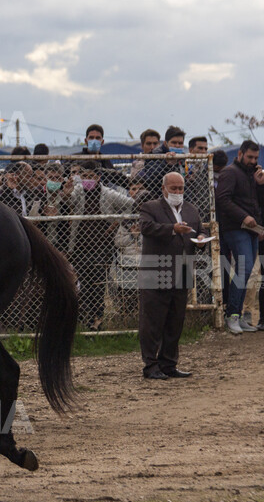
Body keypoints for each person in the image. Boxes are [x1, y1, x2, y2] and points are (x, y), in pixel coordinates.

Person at [138, 173, 208, 379]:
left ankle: (168, 363)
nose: (178, 192)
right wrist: (172, 229)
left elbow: (200, 230)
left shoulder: (191, 209)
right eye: (174, 188)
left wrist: (202, 239)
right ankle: (150, 365)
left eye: (180, 188)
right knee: (152, 322)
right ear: (164, 188)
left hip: (182, 269)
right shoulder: (150, 207)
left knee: (175, 320)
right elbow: (146, 227)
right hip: (156, 269)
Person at [68, 161, 137, 330]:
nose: (87, 180)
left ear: (98, 177)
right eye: (84, 176)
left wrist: (117, 222)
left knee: (98, 284)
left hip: (102, 246)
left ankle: (97, 320)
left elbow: (130, 205)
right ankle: (85, 320)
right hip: (79, 247)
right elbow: (68, 200)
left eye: (91, 176)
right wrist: (66, 193)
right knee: (82, 283)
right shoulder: (77, 191)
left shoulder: (108, 193)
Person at [215, 140, 264, 334]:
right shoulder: (230, 173)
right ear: (240, 154)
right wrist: (243, 216)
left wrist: (259, 184)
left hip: (251, 229)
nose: (253, 161)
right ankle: (232, 314)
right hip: (235, 228)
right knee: (243, 270)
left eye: (255, 157)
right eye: (250, 157)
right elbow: (222, 199)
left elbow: (255, 203)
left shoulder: (250, 175)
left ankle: (239, 315)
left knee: (247, 271)